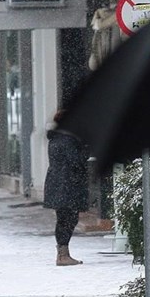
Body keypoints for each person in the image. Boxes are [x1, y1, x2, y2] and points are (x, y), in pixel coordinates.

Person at [43, 109, 89, 266]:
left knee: (64, 219)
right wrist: (85, 150)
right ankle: (63, 255)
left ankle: (63, 253)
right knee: (67, 219)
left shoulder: (56, 138)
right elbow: (76, 161)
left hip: (59, 184)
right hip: (67, 185)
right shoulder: (68, 140)